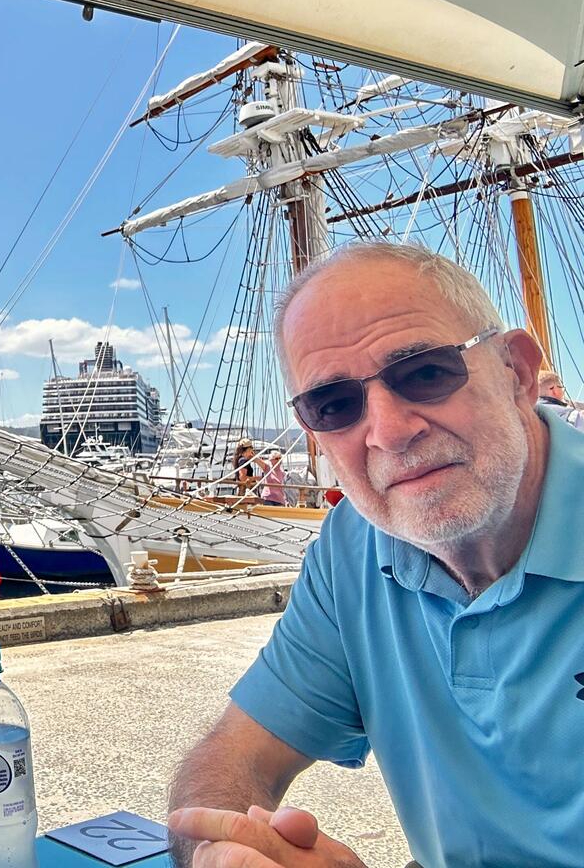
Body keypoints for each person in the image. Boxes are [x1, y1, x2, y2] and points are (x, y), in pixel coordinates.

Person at [167, 241, 584, 868]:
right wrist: (226, 849)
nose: (389, 431)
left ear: (517, 372)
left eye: (425, 373)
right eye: (335, 405)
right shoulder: (355, 547)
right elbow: (234, 755)